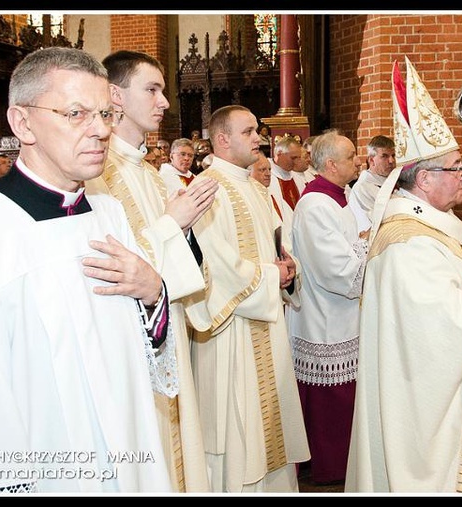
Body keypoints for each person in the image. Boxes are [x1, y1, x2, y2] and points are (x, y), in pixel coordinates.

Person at [0, 46, 175, 493]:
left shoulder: (109, 215)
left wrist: (153, 293)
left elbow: (138, 362)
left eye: (105, 113)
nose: (101, 130)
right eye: (76, 113)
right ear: (22, 123)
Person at [346, 56, 462, 493]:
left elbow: (456, 265)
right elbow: (445, 328)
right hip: (424, 416)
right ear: (423, 180)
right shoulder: (407, 243)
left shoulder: (426, 226)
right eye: (456, 169)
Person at [86, 49, 218, 492]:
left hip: (167, 327)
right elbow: (113, 265)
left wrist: (186, 231)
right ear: (115, 95)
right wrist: (173, 222)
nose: (164, 102)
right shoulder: (99, 173)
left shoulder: (144, 170)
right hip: (132, 338)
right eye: (153, 89)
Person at [187, 105, 310, 492]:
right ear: (222, 139)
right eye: (249, 131)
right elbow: (215, 268)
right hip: (230, 333)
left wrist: (289, 268)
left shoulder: (257, 189)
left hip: (266, 325)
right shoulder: (206, 188)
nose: (259, 138)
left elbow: (277, 245)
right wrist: (273, 275)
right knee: (238, 432)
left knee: (269, 430)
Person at [288, 131, 367, 484]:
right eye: (351, 156)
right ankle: (330, 466)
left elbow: (356, 242)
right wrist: (370, 253)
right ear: (332, 165)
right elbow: (338, 270)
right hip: (325, 317)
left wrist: (365, 247)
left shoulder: (341, 196)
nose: (358, 160)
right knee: (329, 400)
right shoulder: (316, 205)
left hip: (342, 316)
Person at [347, 134, 396, 230]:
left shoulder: (395, 182)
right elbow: (375, 223)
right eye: (385, 156)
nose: (391, 161)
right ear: (371, 160)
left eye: (393, 155)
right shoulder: (363, 188)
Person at [268, 135, 303, 245]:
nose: (296, 162)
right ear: (279, 154)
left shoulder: (298, 178)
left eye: (298, 157)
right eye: (293, 158)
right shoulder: (268, 179)